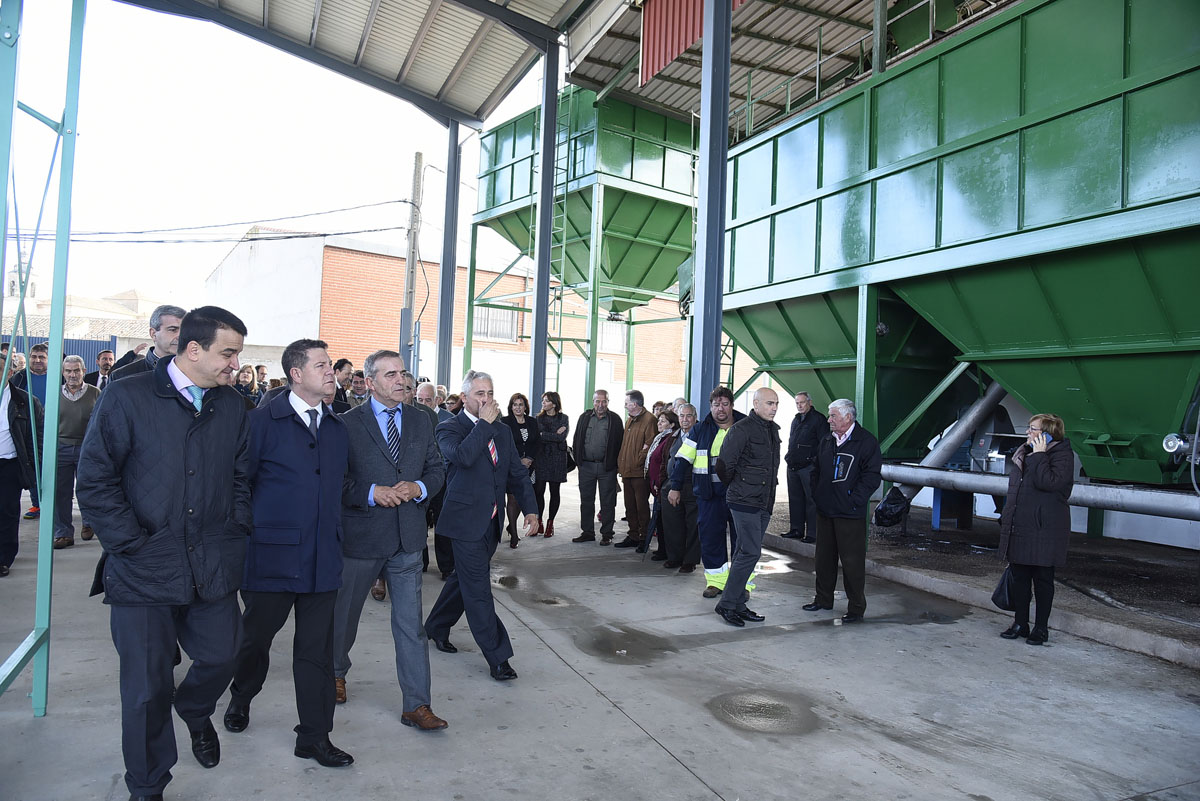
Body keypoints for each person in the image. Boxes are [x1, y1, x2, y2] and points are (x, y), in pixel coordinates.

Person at [76, 306, 251, 800]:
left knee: (223, 655)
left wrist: (233, 529)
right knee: (146, 690)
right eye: (228, 353)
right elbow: (94, 479)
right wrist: (130, 542)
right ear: (192, 350)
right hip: (141, 571)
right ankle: (148, 785)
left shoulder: (232, 405)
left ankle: (194, 710)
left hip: (210, 565)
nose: (234, 364)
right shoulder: (127, 395)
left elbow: (241, 478)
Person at [222, 339, 354, 767]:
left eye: (330, 364)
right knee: (255, 640)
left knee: (316, 652)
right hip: (272, 557)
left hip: (324, 559)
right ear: (296, 374)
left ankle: (314, 737)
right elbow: (238, 484)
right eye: (321, 365)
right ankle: (241, 696)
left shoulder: (336, 429)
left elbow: (342, 488)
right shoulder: (261, 423)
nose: (330, 371)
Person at [331, 349, 447, 732]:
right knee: (344, 617)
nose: (401, 380)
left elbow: (436, 468)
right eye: (391, 374)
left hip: (407, 539)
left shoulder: (420, 420)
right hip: (361, 538)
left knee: (411, 625)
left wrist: (418, 486)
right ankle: (335, 672)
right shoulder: (346, 424)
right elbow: (336, 482)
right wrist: (370, 492)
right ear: (370, 381)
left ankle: (417, 704)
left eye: (403, 373)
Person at [424, 371, 538, 681]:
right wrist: (485, 425)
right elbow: (462, 457)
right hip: (464, 523)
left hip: (492, 522)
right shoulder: (449, 428)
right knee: (478, 590)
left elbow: (515, 472)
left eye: (489, 392)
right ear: (464, 398)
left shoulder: (501, 431)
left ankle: (435, 625)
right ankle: (498, 656)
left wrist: (530, 509)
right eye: (479, 394)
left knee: (464, 579)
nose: (486, 399)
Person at [997, 413, 1074, 646]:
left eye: (1033, 429)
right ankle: (1020, 623)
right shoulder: (1024, 452)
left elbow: (1049, 483)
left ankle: (1041, 628)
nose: (1027, 432)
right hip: (1021, 525)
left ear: (1048, 434)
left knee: (1042, 580)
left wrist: (1040, 455)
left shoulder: (1062, 455)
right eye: (1029, 428)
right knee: (1019, 577)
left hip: (1045, 528)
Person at [803, 398, 882, 623]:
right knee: (823, 560)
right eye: (830, 415)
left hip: (849, 514)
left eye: (833, 416)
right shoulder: (827, 440)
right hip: (825, 510)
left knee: (852, 562)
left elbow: (871, 477)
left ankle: (856, 608)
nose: (829, 420)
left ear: (848, 417)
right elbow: (815, 469)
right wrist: (817, 494)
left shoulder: (865, 442)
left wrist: (853, 500)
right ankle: (823, 599)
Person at [713, 388, 781, 627]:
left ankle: (739, 603)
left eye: (776, 404)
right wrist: (740, 486)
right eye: (770, 403)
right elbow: (723, 466)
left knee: (744, 552)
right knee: (750, 553)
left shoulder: (772, 430)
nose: (774, 408)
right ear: (756, 403)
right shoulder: (742, 429)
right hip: (744, 501)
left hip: (763, 501)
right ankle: (727, 604)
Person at [670, 386, 746, 597]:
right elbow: (683, 459)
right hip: (709, 496)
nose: (720, 409)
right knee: (711, 539)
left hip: (740, 497)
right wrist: (675, 486)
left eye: (724, 404)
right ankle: (716, 581)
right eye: (716, 405)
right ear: (710, 406)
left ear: (731, 405)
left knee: (743, 541)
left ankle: (742, 585)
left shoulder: (745, 426)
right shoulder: (700, 429)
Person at [51, 355, 101, 549]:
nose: (72, 375)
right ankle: (63, 533)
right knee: (60, 492)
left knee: (87, 488)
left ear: (84, 371)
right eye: (68, 371)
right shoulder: (55, 393)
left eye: (76, 370)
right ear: (63, 372)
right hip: (61, 447)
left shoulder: (95, 393)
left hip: (86, 447)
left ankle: (88, 523)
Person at [0, 366, 43, 577]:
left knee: (7, 511)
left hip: (9, 463)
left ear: (9, 373)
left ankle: (3, 558)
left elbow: (39, 433)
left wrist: (35, 462)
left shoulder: (24, 401)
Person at [571, 390, 624, 545]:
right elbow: (576, 439)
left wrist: (616, 465)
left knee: (608, 501)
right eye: (597, 401)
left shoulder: (615, 419)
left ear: (608, 401)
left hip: (606, 467)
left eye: (604, 401)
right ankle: (587, 532)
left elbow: (620, 443)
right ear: (593, 402)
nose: (600, 405)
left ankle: (607, 533)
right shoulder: (584, 417)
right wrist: (579, 461)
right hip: (586, 466)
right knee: (586, 500)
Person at [614, 390, 658, 549]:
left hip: (640, 473)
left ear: (634, 404)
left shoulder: (649, 420)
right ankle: (633, 535)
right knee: (629, 506)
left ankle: (644, 538)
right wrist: (622, 464)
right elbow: (625, 444)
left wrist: (637, 462)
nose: (625, 406)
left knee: (641, 507)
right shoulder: (629, 421)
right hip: (627, 472)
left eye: (626, 403)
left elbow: (649, 445)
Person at [784, 391, 827, 543]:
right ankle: (796, 530)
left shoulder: (818, 420)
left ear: (810, 402)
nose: (799, 405)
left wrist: (814, 463)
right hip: (793, 466)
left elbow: (824, 444)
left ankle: (812, 533)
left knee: (811, 500)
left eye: (802, 402)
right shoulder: (796, 420)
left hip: (808, 467)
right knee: (795, 499)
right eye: (797, 403)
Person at [662, 403, 700, 572]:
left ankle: (690, 561)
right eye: (682, 416)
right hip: (671, 484)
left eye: (689, 416)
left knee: (693, 524)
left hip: (692, 485)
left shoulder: (701, 435)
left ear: (695, 417)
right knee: (673, 523)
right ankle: (674, 557)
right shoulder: (673, 436)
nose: (685, 420)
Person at [501, 393, 540, 548]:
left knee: (523, 496)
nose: (517, 407)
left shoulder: (532, 422)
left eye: (520, 404)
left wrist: (529, 458)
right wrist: (518, 460)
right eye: (515, 404)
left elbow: (537, 442)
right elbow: (504, 445)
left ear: (525, 407)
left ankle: (511, 525)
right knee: (512, 498)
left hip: (529, 467)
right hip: (511, 466)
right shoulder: (505, 422)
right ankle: (514, 534)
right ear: (511, 407)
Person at [111, 303, 187, 382]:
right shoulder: (122, 377)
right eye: (173, 330)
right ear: (153, 334)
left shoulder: (198, 374)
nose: (180, 336)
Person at [643, 409, 680, 559]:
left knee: (665, 521)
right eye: (659, 420)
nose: (659, 423)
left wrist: (659, 481)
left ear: (672, 424)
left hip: (662, 485)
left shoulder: (670, 439)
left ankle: (666, 551)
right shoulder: (660, 437)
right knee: (659, 519)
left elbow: (664, 462)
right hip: (656, 485)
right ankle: (662, 548)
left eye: (663, 421)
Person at [532, 391, 569, 539]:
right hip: (541, 458)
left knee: (555, 491)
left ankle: (550, 523)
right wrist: (554, 434)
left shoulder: (563, 418)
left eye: (546, 401)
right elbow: (538, 437)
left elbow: (562, 438)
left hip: (558, 459)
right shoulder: (538, 418)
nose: (543, 403)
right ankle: (539, 520)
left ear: (554, 403)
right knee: (539, 491)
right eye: (543, 401)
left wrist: (545, 435)